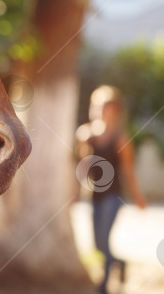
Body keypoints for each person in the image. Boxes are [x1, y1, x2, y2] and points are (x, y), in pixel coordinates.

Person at [76, 85, 147, 294]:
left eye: (104, 106)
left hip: (113, 197)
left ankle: (104, 286)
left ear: (114, 110)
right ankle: (120, 263)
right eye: (96, 106)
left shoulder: (120, 138)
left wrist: (138, 198)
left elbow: (129, 172)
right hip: (94, 195)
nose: (99, 110)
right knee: (98, 245)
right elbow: (84, 165)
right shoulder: (86, 134)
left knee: (104, 239)